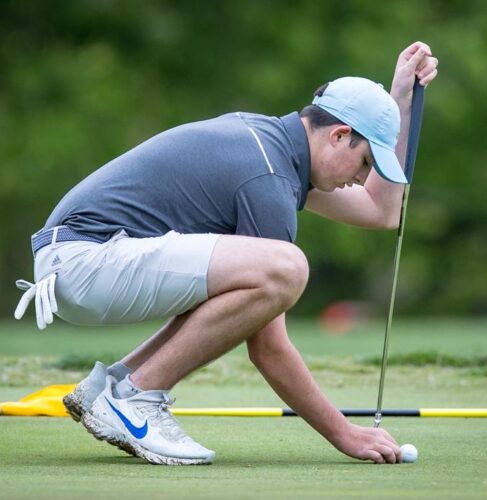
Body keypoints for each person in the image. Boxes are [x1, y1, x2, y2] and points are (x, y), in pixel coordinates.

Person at [15, 41, 438, 465]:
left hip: (78, 261)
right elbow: (268, 347)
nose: (361, 178)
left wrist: (400, 99)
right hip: (83, 262)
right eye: (365, 162)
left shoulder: (274, 150)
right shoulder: (268, 175)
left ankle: (114, 386)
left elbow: (382, 212)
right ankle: (137, 400)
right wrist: (345, 434)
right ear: (339, 135)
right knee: (286, 267)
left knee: (254, 274)